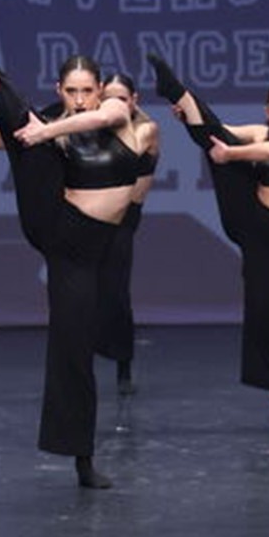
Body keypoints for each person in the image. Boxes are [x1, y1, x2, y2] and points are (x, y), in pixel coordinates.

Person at [0, 29, 142, 489]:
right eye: (72, 91)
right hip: (55, 225)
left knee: (73, 351)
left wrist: (48, 129)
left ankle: (82, 460)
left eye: (88, 90)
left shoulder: (117, 114)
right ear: (59, 90)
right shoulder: (39, 123)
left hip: (86, 254)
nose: (81, 99)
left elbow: (100, 116)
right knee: (24, 133)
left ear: (100, 90)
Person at [145, 56, 269, 432]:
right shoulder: (259, 132)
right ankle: (178, 91)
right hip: (252, 221)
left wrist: (231, 153)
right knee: (214, 134)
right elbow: (223, 132)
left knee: (267, 316)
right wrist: (190, 116)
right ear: (267, 111)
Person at [97, 73, 160, 397]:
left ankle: (123, 363)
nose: (114, 104)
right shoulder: (96, 125)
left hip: (122, 220)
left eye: (121, 98)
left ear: (134, 100)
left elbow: (126, 154)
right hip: (91, 215)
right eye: (108, 97)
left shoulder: (147, 129)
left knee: (117, 292)